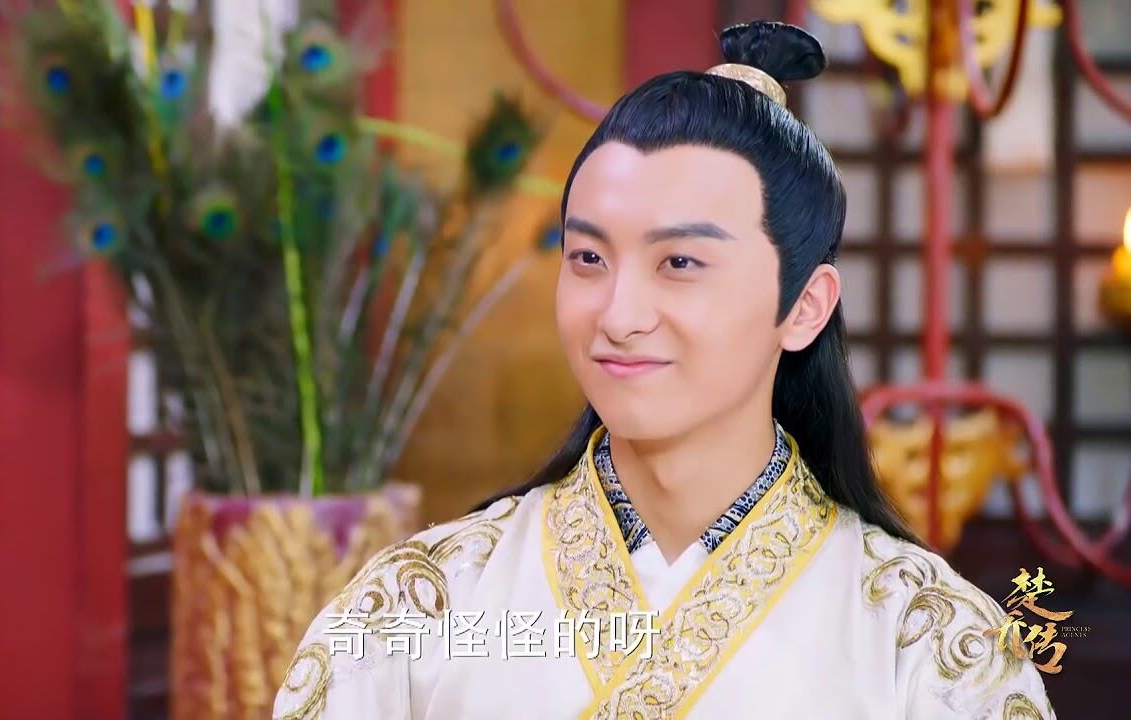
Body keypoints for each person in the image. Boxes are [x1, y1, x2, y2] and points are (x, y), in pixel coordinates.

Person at [273, 21, 1054, 719]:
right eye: (588, 258)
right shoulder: (416, 611)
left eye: (679, 262)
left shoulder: (932, 650)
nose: (618, 316)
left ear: (805, 306)